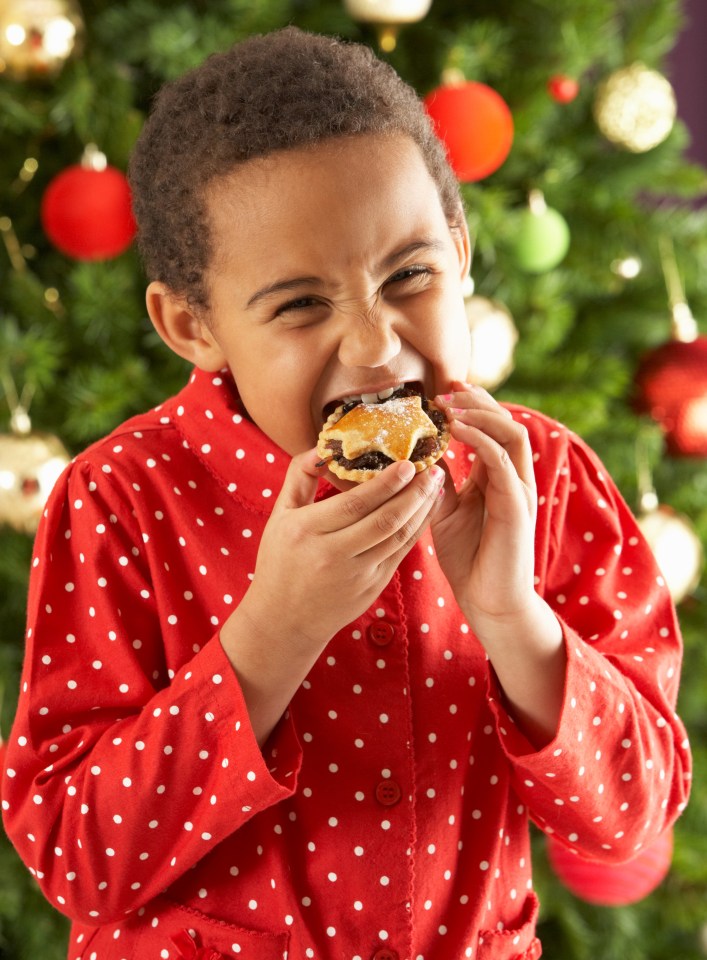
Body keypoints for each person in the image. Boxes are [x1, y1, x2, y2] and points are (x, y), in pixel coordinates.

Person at [1, 26, 691, 960]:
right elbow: (76, 858)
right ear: (191, 324)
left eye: (409, 275)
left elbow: (631, 819)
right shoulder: (120, 502)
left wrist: (512, 619)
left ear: (459, 251)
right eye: (298, 305)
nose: (373, 346)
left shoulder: (547, 478)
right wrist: (273, 630)